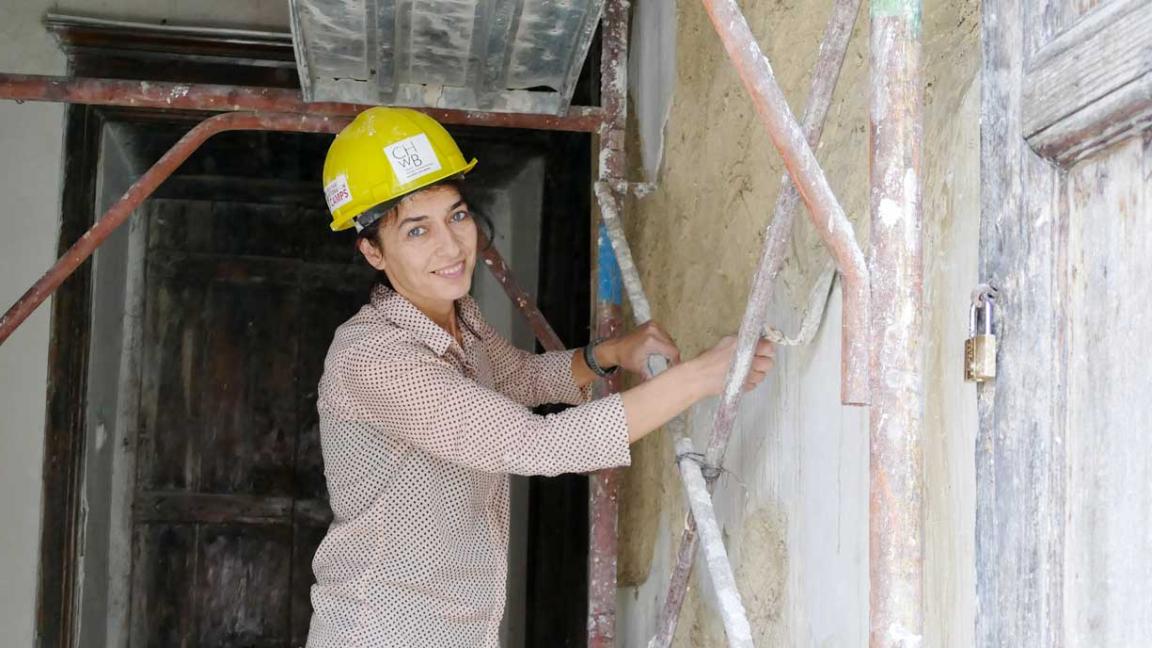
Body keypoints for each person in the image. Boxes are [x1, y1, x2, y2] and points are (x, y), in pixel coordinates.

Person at [304, 107, 775, 647]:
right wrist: (699, 377)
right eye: (417, 230)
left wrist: (609, 353)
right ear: (372, 250)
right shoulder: (373, 358)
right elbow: (536, 444)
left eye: (457, 216)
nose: (451, 246)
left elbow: (519, 377)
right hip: (379, 630)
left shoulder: (459, 319)